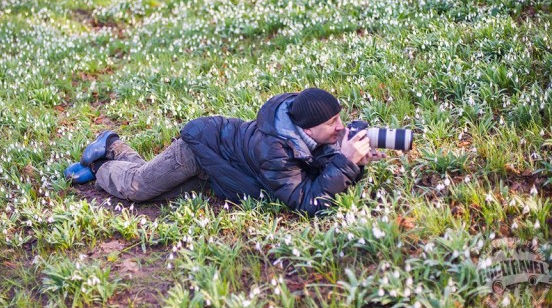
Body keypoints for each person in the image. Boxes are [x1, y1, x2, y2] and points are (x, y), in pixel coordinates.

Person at [65, 88, 384, 215]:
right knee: (139, 188)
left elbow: (319, 174)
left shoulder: (317, 136)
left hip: (222, 169)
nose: (341, 127)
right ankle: (103, 159)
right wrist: (344, 162)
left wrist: (355, 163)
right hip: (202, 149)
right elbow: (306, 202)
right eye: (333, 122)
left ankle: (115, 148)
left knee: (161, 192)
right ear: (308, 129)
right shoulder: (274, 149)